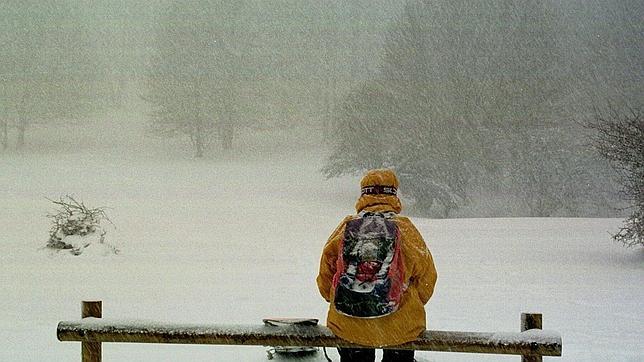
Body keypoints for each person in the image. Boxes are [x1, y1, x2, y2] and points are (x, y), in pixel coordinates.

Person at [317, 169, 438, 362]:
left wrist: (349, 300)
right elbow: (427, 278)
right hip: (400, 326)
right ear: (394, 195)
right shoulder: (406, 229)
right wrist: (404, 302)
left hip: (349, 323)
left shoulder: (346, 227)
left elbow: (326, 275)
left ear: (364, 194)